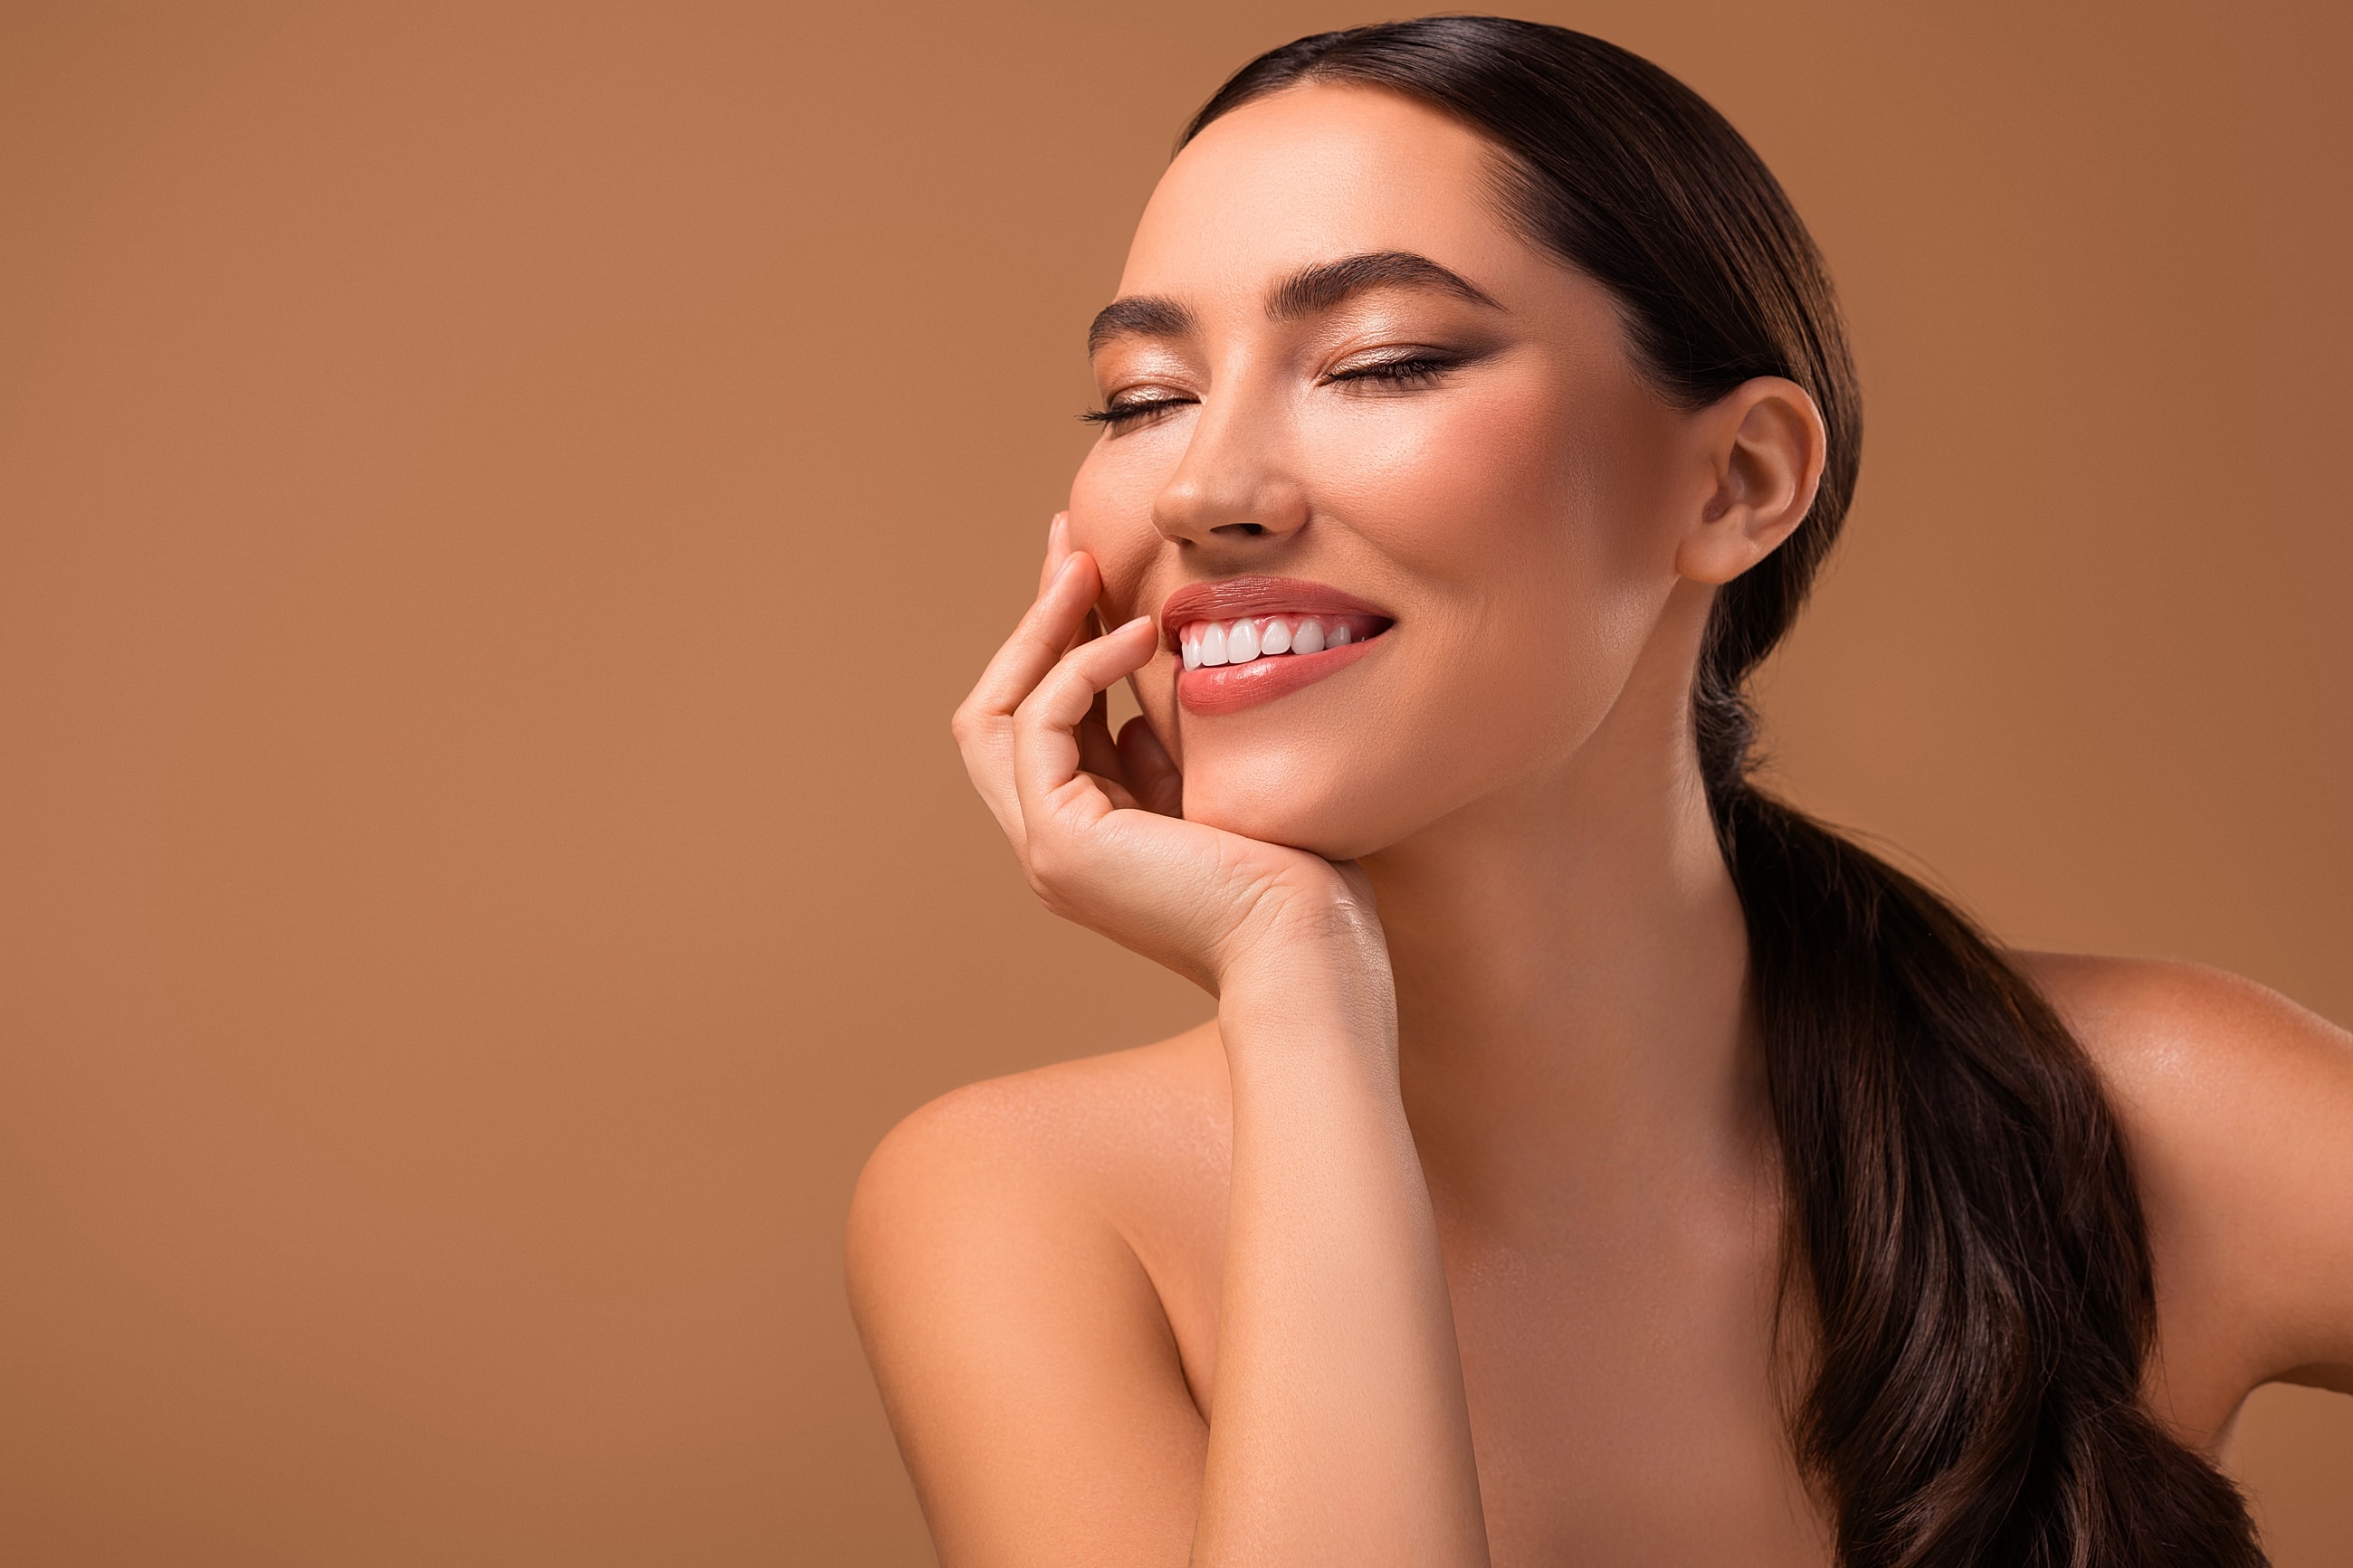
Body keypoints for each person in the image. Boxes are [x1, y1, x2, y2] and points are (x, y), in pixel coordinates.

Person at [846, 17, 2350, 1566]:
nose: (1203, 489)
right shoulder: (1027, 1210)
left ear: (1737, 482)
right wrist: (1300, 994)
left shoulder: (2148, 1120)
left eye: (1381, 363)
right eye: (1144, 395)